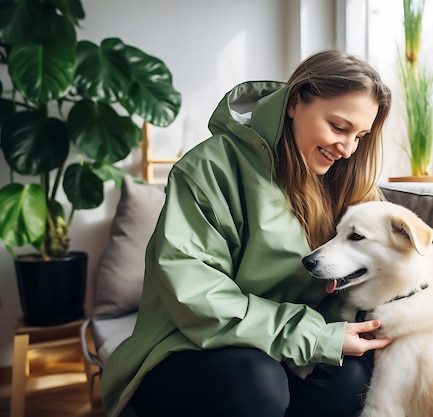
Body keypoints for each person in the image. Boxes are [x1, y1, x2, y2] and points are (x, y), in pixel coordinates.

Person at [100, 49, 393, 417]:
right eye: (338, 127)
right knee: (258, 380)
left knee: (351, 380)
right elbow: (196, 296)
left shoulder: (344, 184)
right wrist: (314, 337)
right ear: (294, 102)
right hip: (187, 347)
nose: (348, 149)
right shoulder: (210, 167)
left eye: (360, 136)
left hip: (286, 349)